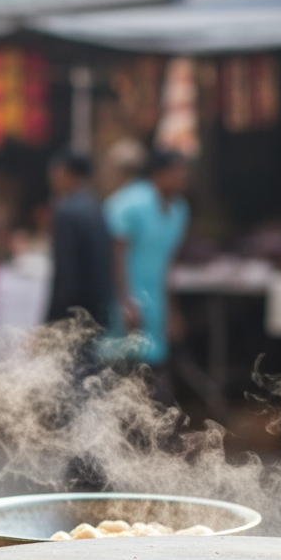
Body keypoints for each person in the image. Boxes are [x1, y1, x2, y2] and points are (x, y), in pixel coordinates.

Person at [105, 149, 191, 405]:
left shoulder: (179, 210)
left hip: (155, 300)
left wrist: (172, 310)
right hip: (122, 297)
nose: (182, 178)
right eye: (176, 172)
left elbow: (168, 264)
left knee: (154, 365)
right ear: (158, 174)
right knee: (119, 368)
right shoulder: (129, 204)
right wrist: (125, 301)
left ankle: (152, 436)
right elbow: (114, 255)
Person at [44, 150, 114, 329]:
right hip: (96, 311)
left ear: (66, 173)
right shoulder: (96, 206)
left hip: (72, 316)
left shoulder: (67, 212)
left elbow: (66, 277)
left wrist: (52, 323)